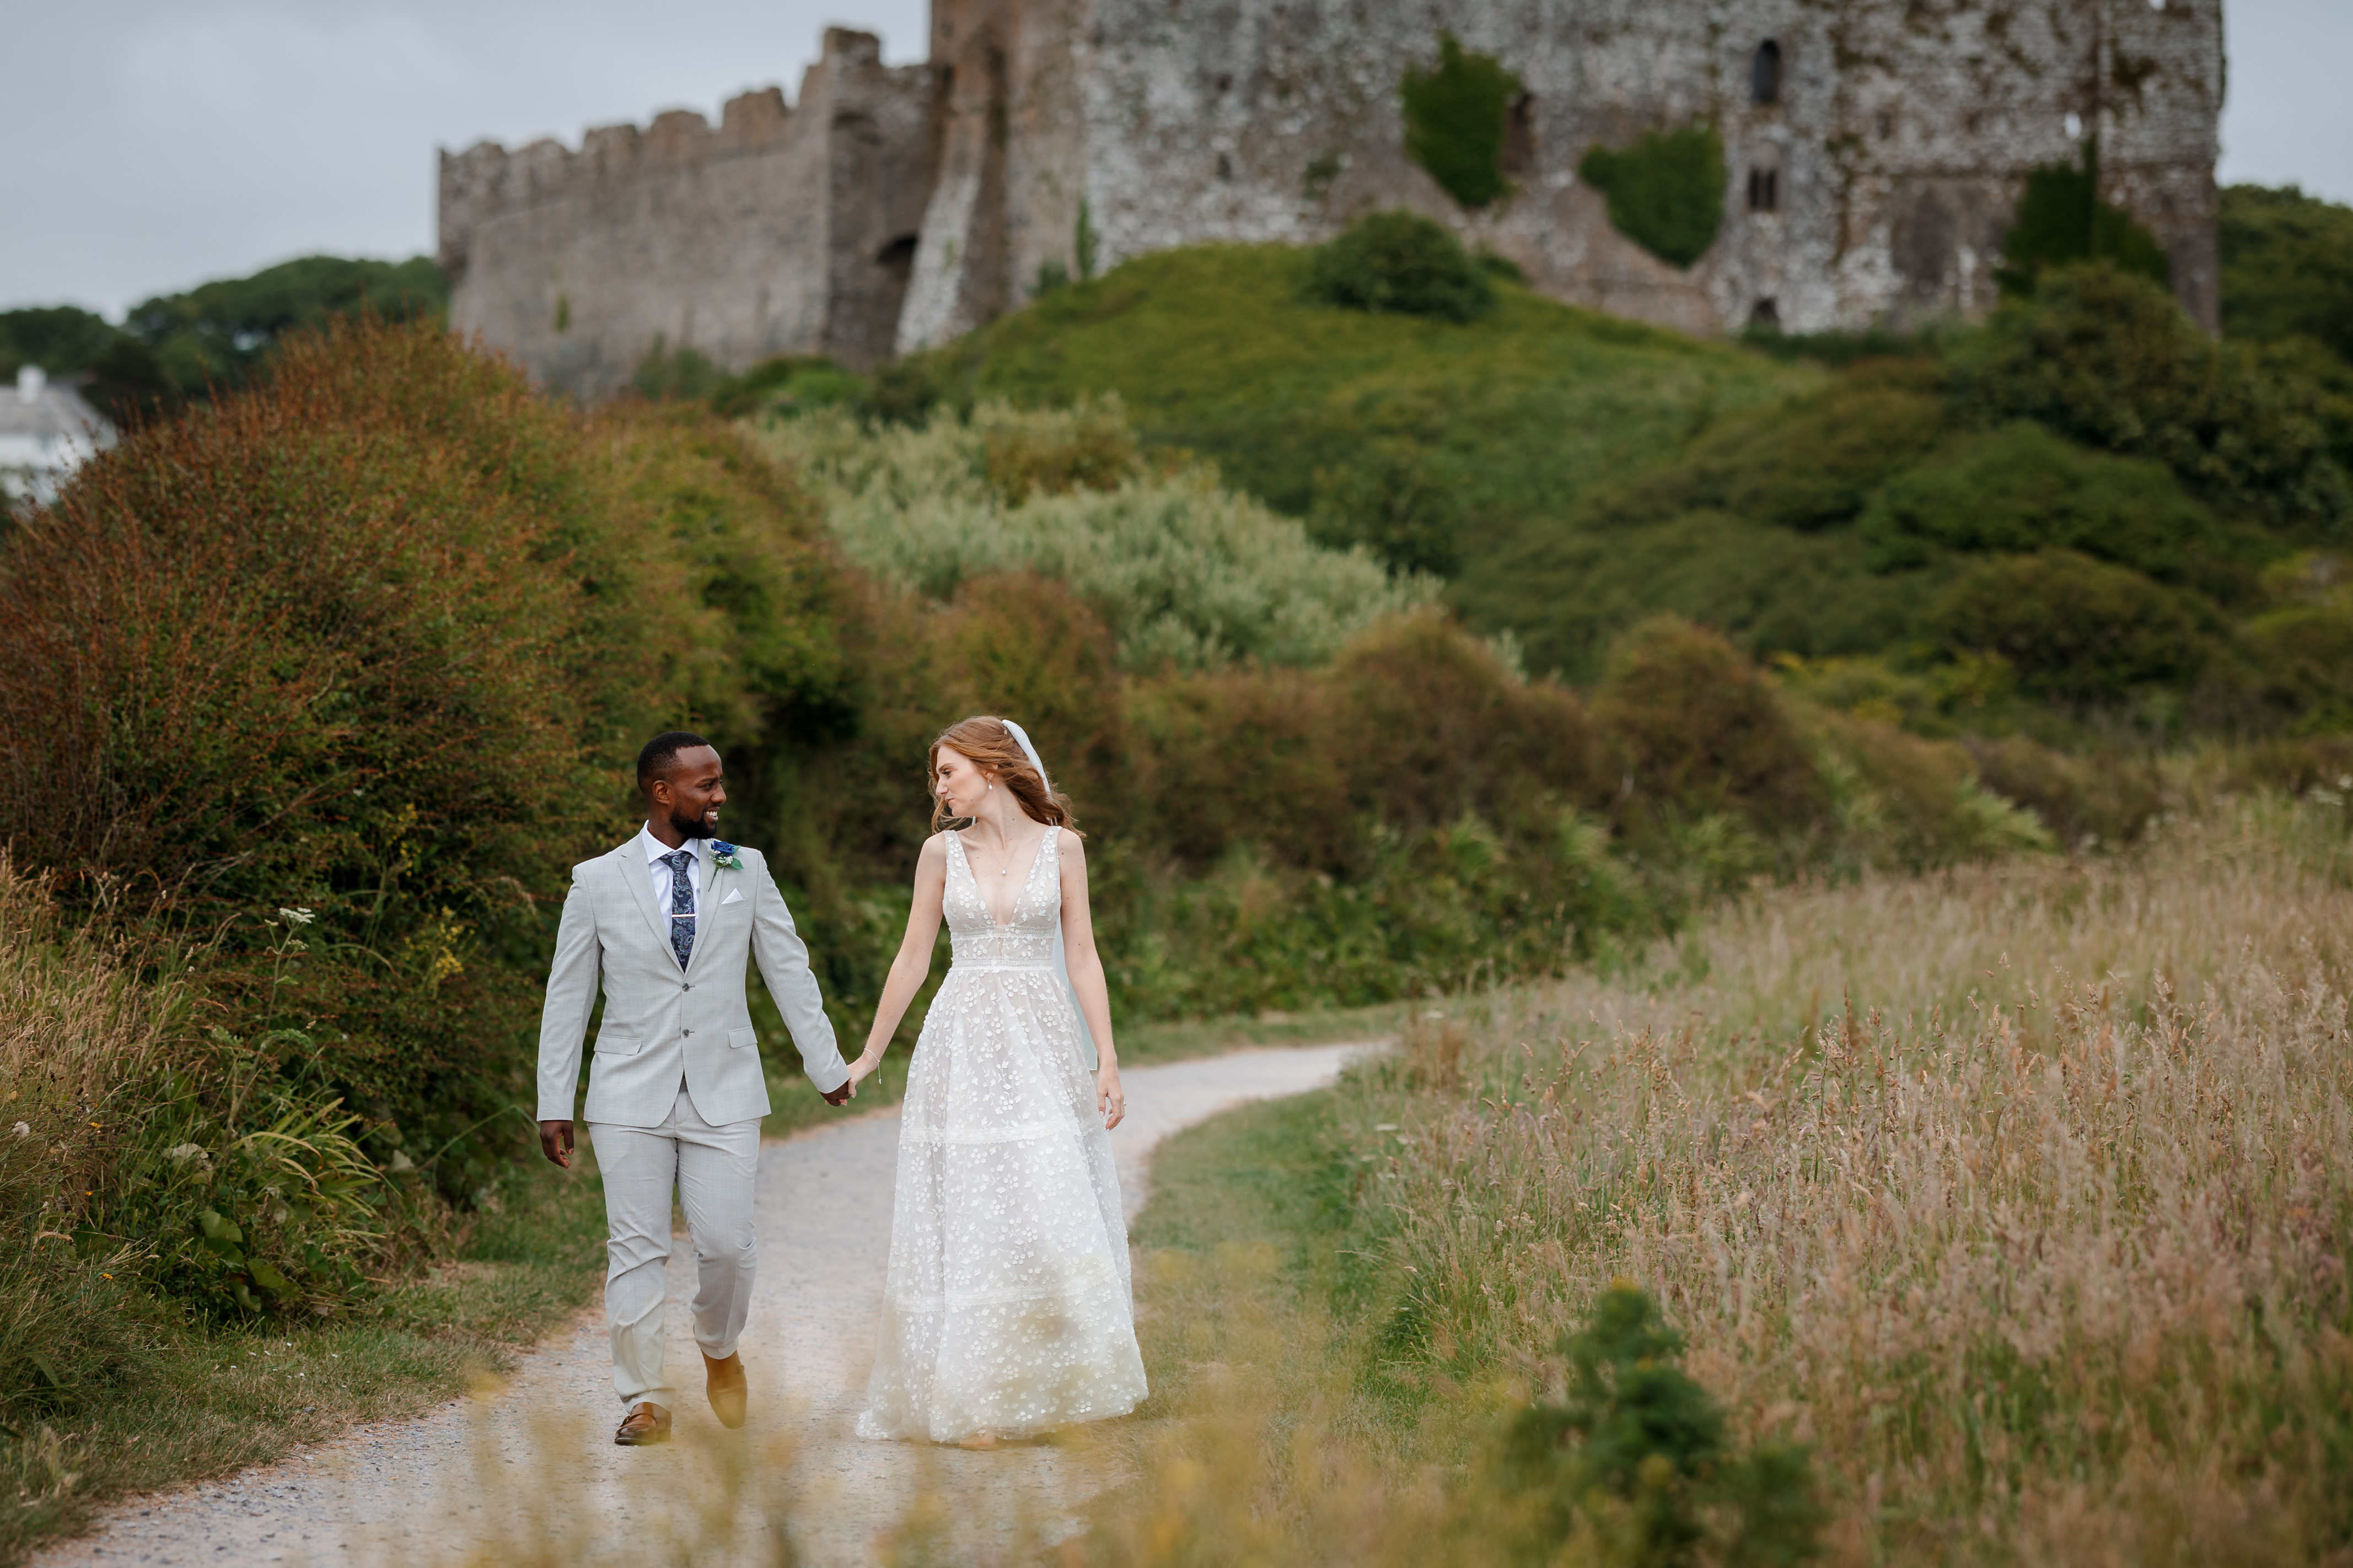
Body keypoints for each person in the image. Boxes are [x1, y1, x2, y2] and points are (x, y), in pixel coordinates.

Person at [535, 730, 857, 1447]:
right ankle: (646, 1397)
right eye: (705, 785)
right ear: (662, 791)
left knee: (727, 1245)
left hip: (725, 1088)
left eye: (719, 782)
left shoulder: (746, 868)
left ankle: (718, 1344)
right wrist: (554, 1098)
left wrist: (826, 1064)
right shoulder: (596, 880)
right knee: (637, 1246)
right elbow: (568, 996)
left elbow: (788, 968)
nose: (719, 796)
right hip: (628, 1093)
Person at [846, 716, 1147, 1445]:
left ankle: (1056, 1382)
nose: (939, 787)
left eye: (949, 771)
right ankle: (972, 1399)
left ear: (993, 766)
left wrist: (1105, 1053)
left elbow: (1082, 955)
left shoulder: (1064, 849)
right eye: (938, 775)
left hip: (1044, 1040)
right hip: (963, 1042)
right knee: (975, 1206)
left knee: (1050, 1196)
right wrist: (869, 1054)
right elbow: (913, 958)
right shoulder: (939, 854)